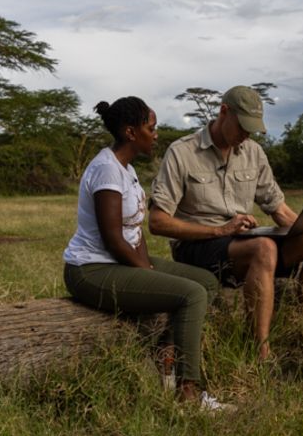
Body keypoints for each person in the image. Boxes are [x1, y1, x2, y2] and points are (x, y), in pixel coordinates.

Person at [149, 85, 303, 360]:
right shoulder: (182, 152)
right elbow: (157, 222)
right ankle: (261, 353)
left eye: (252, 129)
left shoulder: (253, 153)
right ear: (223, 112)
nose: (246, 135)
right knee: (263, 248)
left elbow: (279, 210)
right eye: (242, 127)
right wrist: (220, 230)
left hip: (240, 244)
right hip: (197, 247)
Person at [63, 96, 231, 410]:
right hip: (91, 270)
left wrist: (147, 269)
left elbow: (135, 230)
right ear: (130, 132)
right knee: (192, 295)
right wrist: (145, 273)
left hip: (118, 262)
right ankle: (188, 393)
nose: (156, 134)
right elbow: (113, 239)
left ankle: (164, 354)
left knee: (205, 282)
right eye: (150, 128)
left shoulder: (126, 170)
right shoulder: (106, 171)